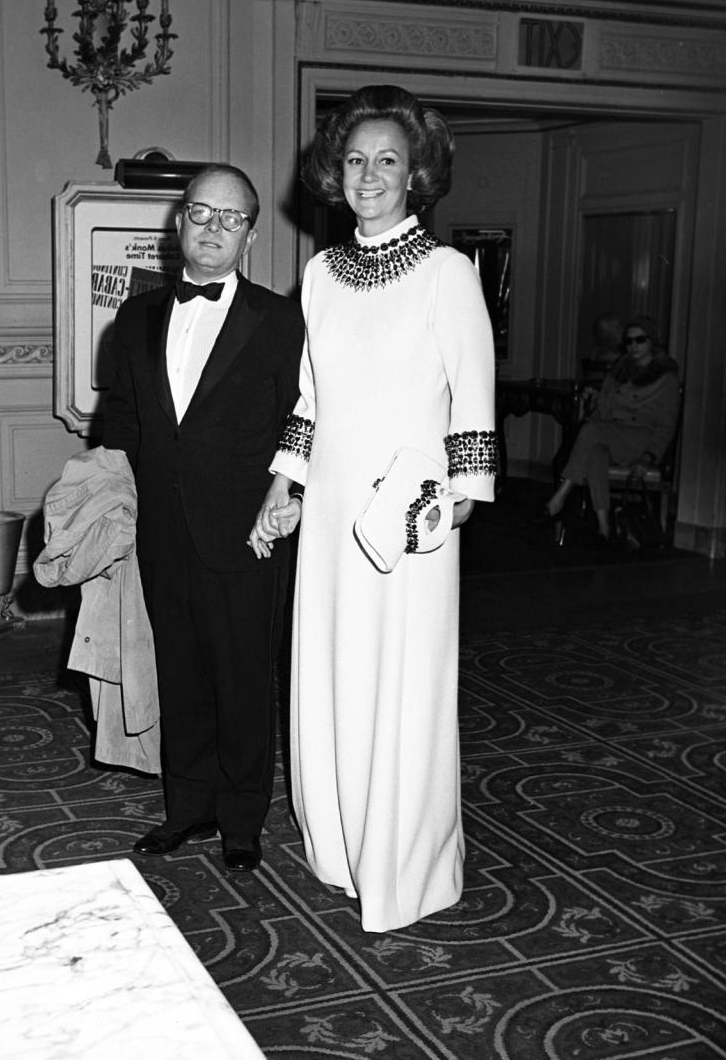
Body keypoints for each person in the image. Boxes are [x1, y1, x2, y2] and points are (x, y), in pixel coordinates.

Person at [249, 85, 497, 932]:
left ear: (417, 171)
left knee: (404, 684)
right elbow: (311, 396)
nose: (369, 175)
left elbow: (474, 403)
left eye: (387, 160)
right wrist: (286, 483)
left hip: (412, 517)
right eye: (355, 159)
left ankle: (405, 866)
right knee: (332, 670)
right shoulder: (319, 274)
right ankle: (341, 846)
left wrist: (454, 508)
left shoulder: (448, 273)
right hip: (330, 518)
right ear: (335, 171)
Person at [102, 163, 304, 872]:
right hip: (160, 530)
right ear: (177, 222)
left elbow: (304, 425)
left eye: (232, 218)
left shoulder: (281, 321)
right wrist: (105, 506)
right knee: (180, 674)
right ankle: (188, 807)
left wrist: (288, 499)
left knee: (244, 678)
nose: (213, 228)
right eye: (201, 213)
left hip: (246, 533)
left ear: (249, 234)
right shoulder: (134, 318)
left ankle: (243, 817)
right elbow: (121, 421)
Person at [540, 315, 680, 540]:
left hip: (640, 440)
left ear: (652, 341)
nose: (633, 346)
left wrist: (648, 458)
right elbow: (604, 412)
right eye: (629, 341)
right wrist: (595, 399)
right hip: (615, 436)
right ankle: (604, 528)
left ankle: (559, 498)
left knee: (591, 431)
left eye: (640, 340)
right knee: (595, 453)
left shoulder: (665, 377)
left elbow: (667, 425)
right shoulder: (619, 370)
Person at [581, 311, 624, 385]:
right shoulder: (603, 353)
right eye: (618, 327)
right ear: (609, 332)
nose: (623, 330)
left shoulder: (598, 349)